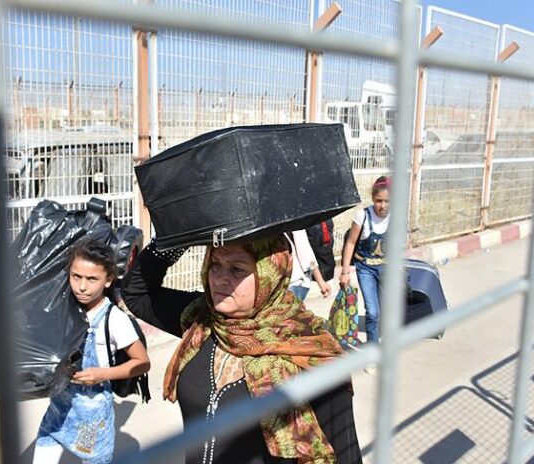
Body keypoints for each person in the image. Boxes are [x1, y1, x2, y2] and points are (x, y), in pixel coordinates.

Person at [122, 236, 363, 463]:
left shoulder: (312, 353)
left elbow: (345, 454)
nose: (219, 278)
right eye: (215, 264)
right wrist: (178, 233)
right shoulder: (201, 320)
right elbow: (136, 292)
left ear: (270, 271)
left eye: (237, 269)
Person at [33, 239, 151, 464]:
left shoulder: (114, 320)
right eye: (76, 277)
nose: (82, 287)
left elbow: (143, 362)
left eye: (92, 279)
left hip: (92, 415)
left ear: (108, 281)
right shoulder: (65, 308)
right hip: (59, 407)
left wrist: (102, 374)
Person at [339, 176, 390, 348]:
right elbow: (351, 243)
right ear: (373, 199)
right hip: (366, 268)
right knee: (373, 312)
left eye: (386, 201)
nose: (382, 206)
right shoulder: (363, 216)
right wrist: (345, 272)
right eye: (378, 201)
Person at [287, 229, 331, 301]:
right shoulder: (293, 223)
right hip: (296, 281)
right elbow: (305, 253)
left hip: (281, 284)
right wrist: (321, 282)